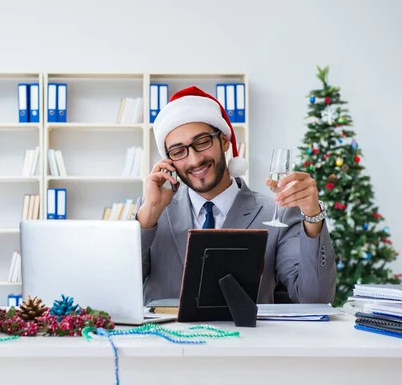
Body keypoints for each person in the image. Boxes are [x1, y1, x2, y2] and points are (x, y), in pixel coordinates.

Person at [137, 86, 336, 305]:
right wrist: (148, 217)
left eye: (202, 142)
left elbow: (315, 298)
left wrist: (312, 216)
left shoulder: (276, 213)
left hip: (247, 339)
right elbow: (119, 289)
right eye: (178, 151)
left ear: (223, 140)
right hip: (165, 338)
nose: (194, 160)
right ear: (169, 161)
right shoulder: (151, 213)